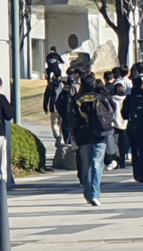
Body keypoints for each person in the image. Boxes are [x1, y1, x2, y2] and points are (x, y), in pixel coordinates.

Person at [68, 73, 114, 206]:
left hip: (83, 134)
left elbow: (71, 118)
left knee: (86, 164)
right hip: (100, 134)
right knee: (97, 163)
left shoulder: (76, 99)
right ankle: (95, 193)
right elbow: (113, 109)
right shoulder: (101, 97)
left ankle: (89, 193)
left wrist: (73, 135)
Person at [122, 77, 143, 183]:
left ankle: (136, 173)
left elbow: (124, 114)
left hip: (133, 126)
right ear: (142, 85)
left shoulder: (129, 98)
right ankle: (142, 173)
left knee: (135, 151)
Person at [110, 83, 128, 170]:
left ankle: (116, 160)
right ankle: (123, 161)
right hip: (125, 124)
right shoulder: (126, 98)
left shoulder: (112, 99)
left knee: (115, 144)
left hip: (114, 124)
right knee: (123, 145)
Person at [0, 79, 14, 183]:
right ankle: (2, 182)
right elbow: (9, 116)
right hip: (0, 133)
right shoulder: (1, 99)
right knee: (1, 159)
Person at [43, 75, 64, 143]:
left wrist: (45, 107)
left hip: (53, 106)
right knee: (61, 123)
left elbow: (46, 97)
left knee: (54, 123)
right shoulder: (63, 84)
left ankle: (57, 136)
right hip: (62, 107)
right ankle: (62, 137)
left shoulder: (51, 85)